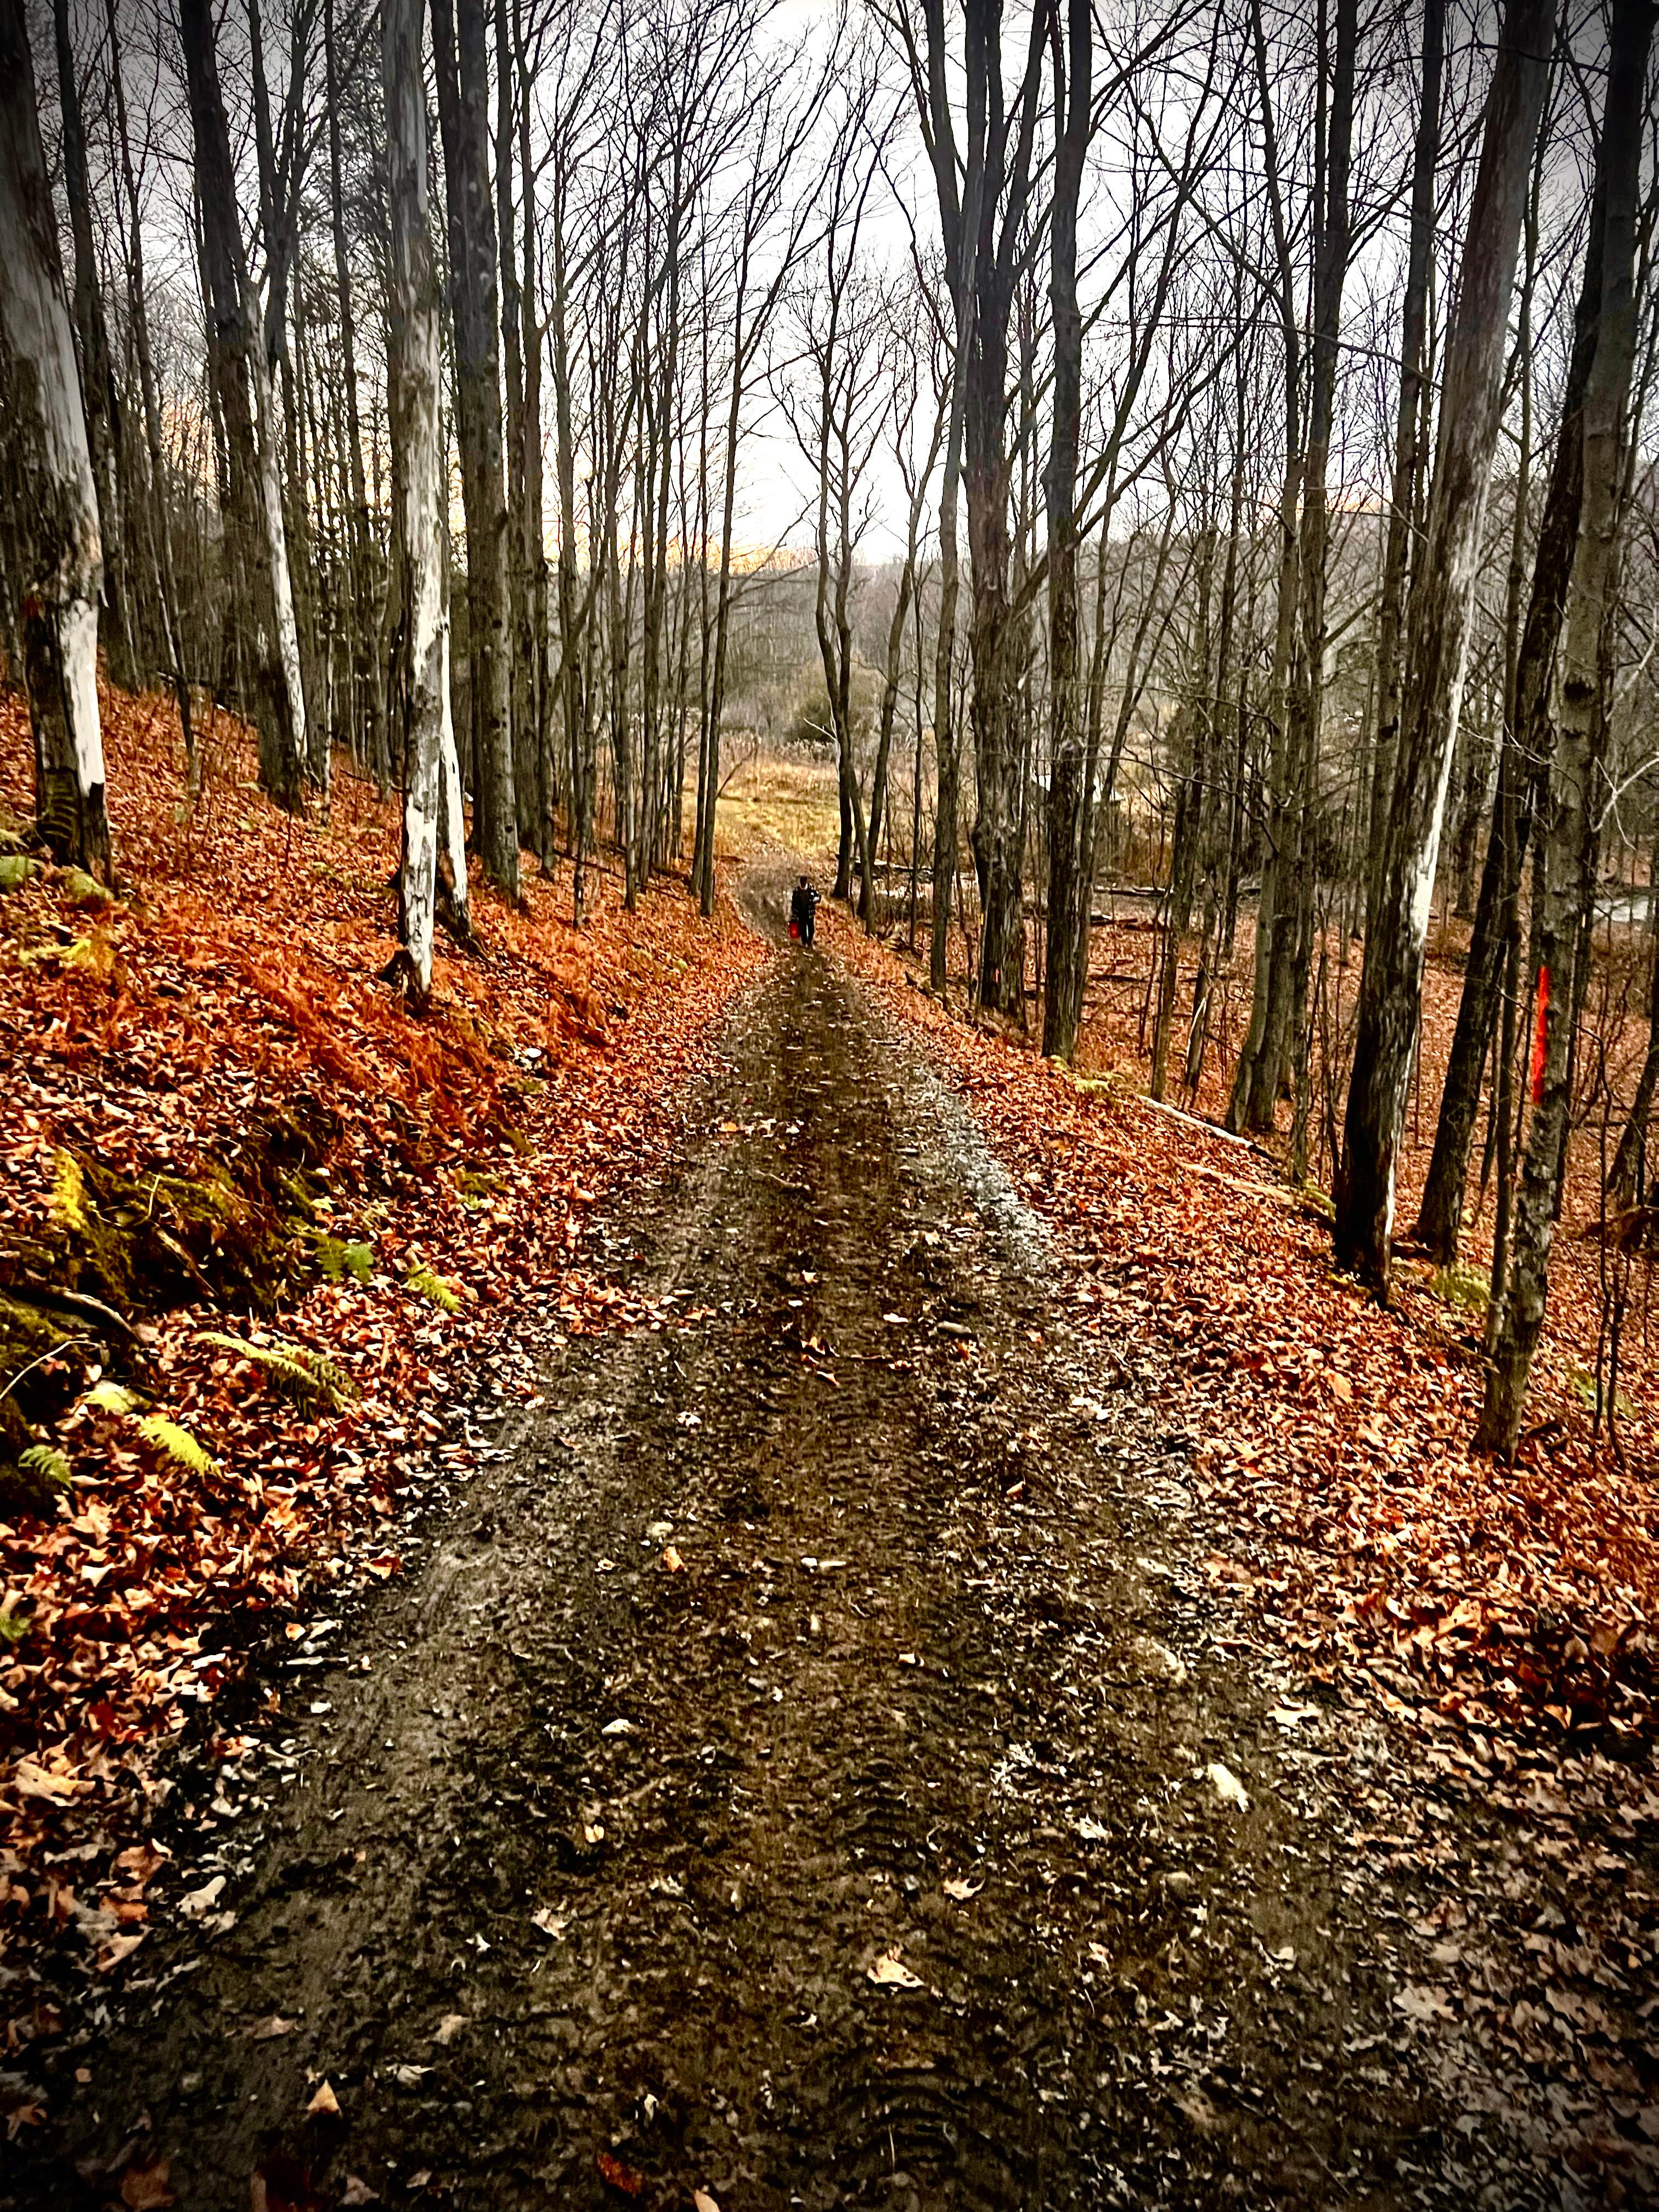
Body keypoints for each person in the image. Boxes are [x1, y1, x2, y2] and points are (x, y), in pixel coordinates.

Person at [789, 873, 818, 946]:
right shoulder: (797, 892)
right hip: (801, 912)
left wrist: (815, 900)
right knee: (803, 928)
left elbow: (817, 897)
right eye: (802, 883)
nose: (803, 884)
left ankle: (810, 941)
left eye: (804, 883)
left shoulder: (811, 889)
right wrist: (794, 914)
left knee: (811, 928)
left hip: (810, 912)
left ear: (806, 882)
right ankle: (804, 942)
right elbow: (794, 904)